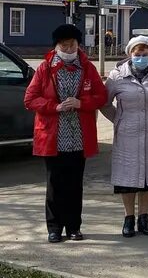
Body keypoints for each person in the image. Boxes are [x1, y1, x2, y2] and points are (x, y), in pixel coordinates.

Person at [23, 24, 107, 243]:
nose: (69, 49)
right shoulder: (45, 68)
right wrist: (54, 107)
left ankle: (73, 227)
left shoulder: (87, 68)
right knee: (54, 186)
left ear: (78, 45)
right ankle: (54, 228)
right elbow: (30, 99)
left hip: (78, 137)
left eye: (72, 45)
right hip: (53, 138)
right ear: (57, 46)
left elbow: (101, 96)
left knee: (75, 185)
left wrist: (81, 102)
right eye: (64, 45)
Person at [101, 35, 148, 237]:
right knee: (128, 179)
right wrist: (119, 118)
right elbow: (104, 102)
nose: (141, 57)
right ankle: (128, 219)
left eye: (144, 54)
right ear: (130, 54)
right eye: (137, 54)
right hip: (128, 135)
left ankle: (144, 218)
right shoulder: (117, 76)